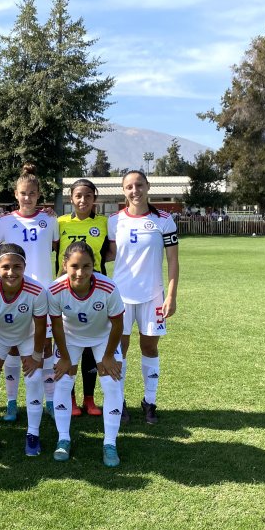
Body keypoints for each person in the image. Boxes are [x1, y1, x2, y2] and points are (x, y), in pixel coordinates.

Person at [106, 169, 179, 424]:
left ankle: (150, 401)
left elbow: (172, 261)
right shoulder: (114, 221)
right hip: (121, 298)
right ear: (123, 191)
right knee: (120, 351)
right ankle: (119, 401)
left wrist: (171, 295)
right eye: (129, 187)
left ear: (148, 187)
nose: (134, 191)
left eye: (139, 185)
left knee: (149, 347)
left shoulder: (164, 220)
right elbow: (111, 254)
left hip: (153, 296)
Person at [0, 164, 59, 422]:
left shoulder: (49, 220)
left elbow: (56, 248)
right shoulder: (4, 222)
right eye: (23, 193)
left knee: (46, 347)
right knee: (12, 348)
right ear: (16, 194)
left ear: (39, 194)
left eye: (32, 193)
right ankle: (11, 402)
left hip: (43, 293)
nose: (27, 197)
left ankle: (50, 400)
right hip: (13, 292)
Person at [49, 242, 125, 466]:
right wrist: (64, 357)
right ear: (65, 265)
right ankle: (63, 439)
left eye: (86, 266)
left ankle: (110, 443)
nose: (80, 272)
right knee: (62, 382)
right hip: (70, 338)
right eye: (74, 266)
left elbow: (118, 325)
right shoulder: (55, 289)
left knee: (112, 384)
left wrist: (108, 356)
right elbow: (56, 326)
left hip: (104, 337)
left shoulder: (108, 287)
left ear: (94, 266)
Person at [0, 243, 47, 457]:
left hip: (27, 334)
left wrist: (36, 356)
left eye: (17, 267)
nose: (11, 272)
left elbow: (41, 326)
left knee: (34, 378)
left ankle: (33, 434)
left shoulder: (37, 290)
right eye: (5, 267)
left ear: (25, 266)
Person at [57, 178, 108, 418]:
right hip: (67, 289)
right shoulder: (59, 223)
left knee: (90, 345)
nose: (83, 200)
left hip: (95, 288)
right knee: (70, 343)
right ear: (71, 199)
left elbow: (109, 252)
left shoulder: (104, 223)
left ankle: (89, 398)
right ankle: (71, 398)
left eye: (88, 196)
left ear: (94, 199)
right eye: (78, 196)